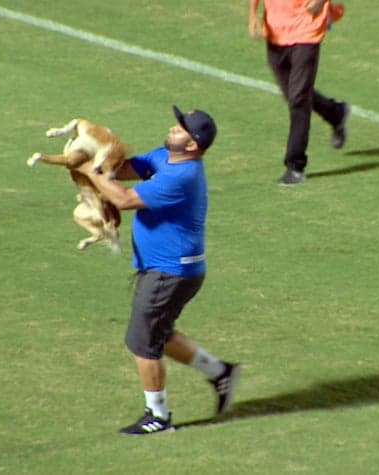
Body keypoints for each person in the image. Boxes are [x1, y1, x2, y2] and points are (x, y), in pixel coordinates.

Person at [75, 106, 240, 435]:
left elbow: (123, 199)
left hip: (172, 272)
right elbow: (122, 170)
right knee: (159, 332)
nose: (173, 129)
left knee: (142, 341)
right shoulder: (165, 156)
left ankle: (158, 417)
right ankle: (220, 373)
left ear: (192, 145)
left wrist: (88, 171)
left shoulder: (183, 176)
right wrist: (95, 155)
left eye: (181, 129)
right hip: (165, 267)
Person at [248, 0, 351, 186]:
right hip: (276, 30)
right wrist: (253, 13)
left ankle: (295, 166)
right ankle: (335, 112)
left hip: (307, 29)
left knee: (298, 100)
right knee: (294, 94)